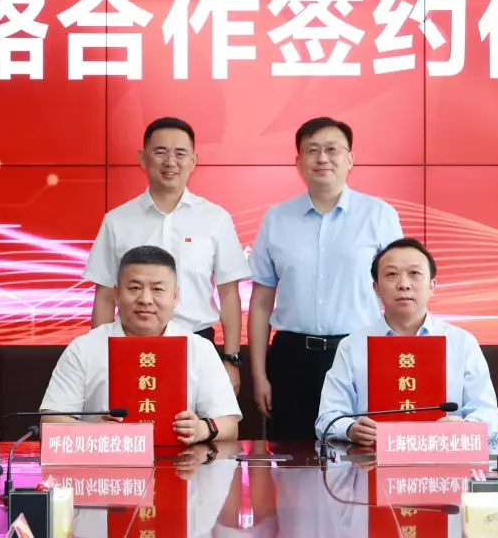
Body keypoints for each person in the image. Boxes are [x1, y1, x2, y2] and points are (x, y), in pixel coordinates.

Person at [247, 116, 404, 439]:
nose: (322, 158)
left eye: (332, 149)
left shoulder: (378, 215)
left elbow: (398, 294)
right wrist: (259, 375)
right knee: (292, 456)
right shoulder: (277, 218)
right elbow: (261, 301)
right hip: (291, 358)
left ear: (350, 159)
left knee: (359, 452)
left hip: (358, 353)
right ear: (298, 162)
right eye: (312, 150)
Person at [82, 117, 250, 392]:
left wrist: (231, 360)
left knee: (196, 419)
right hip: (131, 348)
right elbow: (104, 296)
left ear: (194, 160)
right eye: (160, 152)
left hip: (197, 347)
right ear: (143, 158)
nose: (170, 162)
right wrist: (98, 357)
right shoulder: (117, 220)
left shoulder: (216, 219)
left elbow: (229, 294)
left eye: (180, 153)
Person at [41, 245, 241, 445]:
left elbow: (230, 425)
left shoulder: (199, 349)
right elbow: (49, 422)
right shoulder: (84, 348)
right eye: (134, 288)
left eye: (157, 289)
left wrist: (202, 429)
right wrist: (96, 431)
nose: (145, 299)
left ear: (175, 296)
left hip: (182, 461)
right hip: (103, 461)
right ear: (117, 294)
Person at [315, 237, 498, 449]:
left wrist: (464, 428)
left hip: (446, 460)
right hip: (370, 461)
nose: (403, 284)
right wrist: (349, 429)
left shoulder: (462, 343)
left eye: (414, 273)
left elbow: (488, 416)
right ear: (376, 288)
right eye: (391, 274)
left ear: (432, 286)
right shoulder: (352, 346)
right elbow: (326, 418)